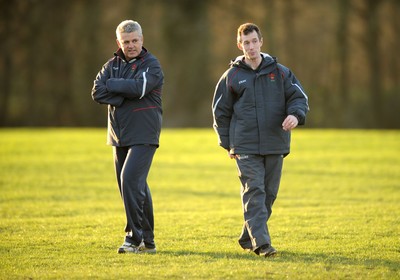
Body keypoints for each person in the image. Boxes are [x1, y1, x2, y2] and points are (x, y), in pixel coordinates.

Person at [212, 23, 309, 257]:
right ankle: (262, 244)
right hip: (244, 144)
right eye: (246, 42)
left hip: (275, 142)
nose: (251, 46)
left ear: (261, 42)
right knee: (254, 190)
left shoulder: (281, 72)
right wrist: (227, 144)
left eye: (254, 41)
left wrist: (295, 116)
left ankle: (249, 235)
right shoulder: (232, 76)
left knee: (269, 193)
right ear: (239, 45)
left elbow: (299, 97)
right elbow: (219, 112)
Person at [91, 20, 164, 254]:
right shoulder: (110, 65)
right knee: (132, 186)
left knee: (130, 180)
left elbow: (140, 88)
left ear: (142, 39)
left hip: (144, 132)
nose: (130, 45)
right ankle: (149, 242)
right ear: (118, 42)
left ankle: (133, 238)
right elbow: (96, 92)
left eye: (134, 41)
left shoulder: (152, 65)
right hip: (118, 134)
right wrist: (123, 94)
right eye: (126, 42)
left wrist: (113, 86)